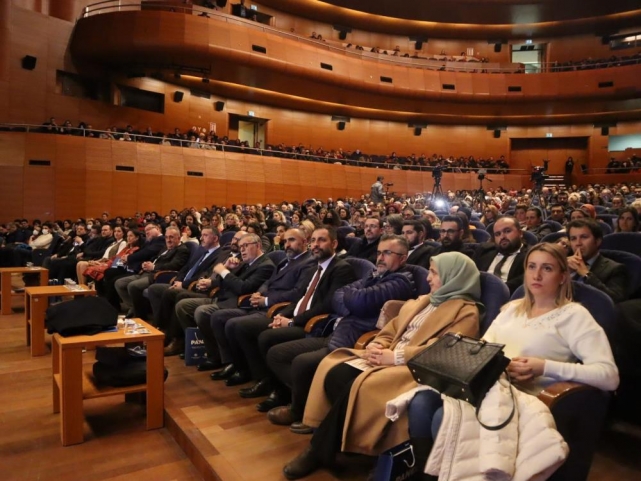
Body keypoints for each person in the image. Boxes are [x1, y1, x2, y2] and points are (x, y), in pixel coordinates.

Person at [407, 243, 618, 479]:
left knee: (442, 417)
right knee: (421, 402)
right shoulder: (512, 308)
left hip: (527, 398)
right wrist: (498, 365)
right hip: (490, 387)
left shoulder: (574, 316)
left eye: (547, 268)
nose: (537, 275)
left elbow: (609, 376)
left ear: (562, 276)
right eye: (532, 267)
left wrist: (543, 367)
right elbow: (483, 349)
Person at [282, 252, 481, 479]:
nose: (428, 278)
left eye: (434, 273)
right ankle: (350, 445)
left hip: (414, 369)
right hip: (388, 356)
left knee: (358, 385)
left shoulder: (466, 311)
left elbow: (445, 351)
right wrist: (377, 345)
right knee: (335, 372)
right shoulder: (425, 300)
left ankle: (318, 451)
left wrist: (396, 357)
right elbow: (391, 329)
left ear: (453, 276)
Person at [566, 219, 628, 302]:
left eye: (584, 237)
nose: (578, 243)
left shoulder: (615, 269)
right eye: (573, 238)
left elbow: (614, 299)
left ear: (598, 241)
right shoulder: (565, 265)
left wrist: (586, 274)